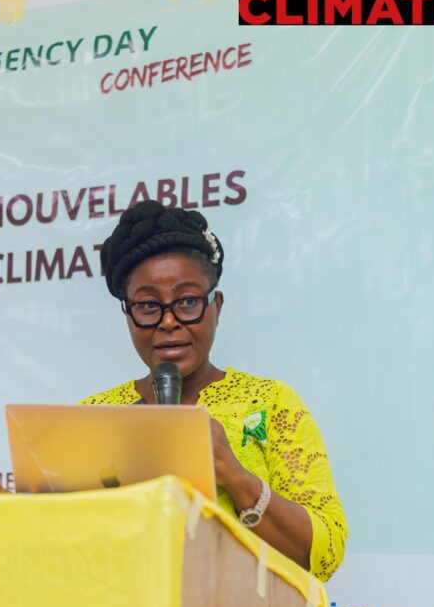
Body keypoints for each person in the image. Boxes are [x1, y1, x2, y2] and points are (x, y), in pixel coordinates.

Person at [79, 199, 347, 581]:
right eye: (148, 305)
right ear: (128, 314)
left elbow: (325, 551)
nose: (169, 321)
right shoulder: (93, 417)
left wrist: (234, 474)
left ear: (216, 306)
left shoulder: (270, 404)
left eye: (188, 301)